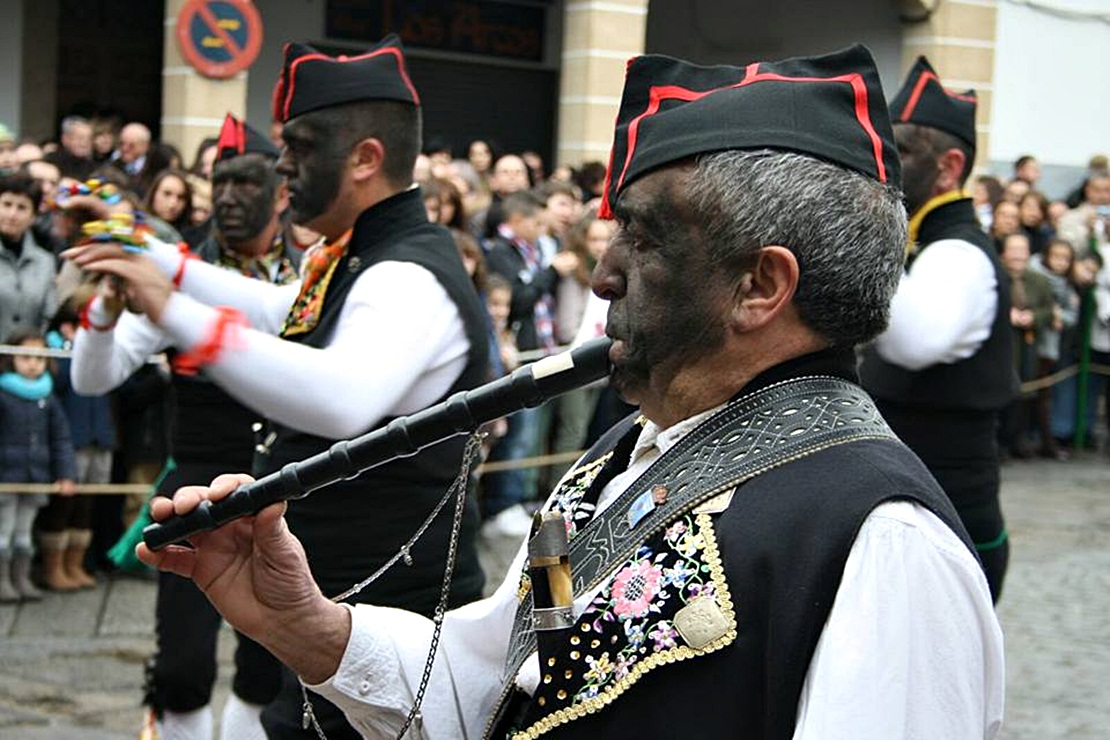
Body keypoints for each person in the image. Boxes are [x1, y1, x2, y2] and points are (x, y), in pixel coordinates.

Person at [137, 45, 1003, 739]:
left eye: (644, 236)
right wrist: (311, 628)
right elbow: (494, 684)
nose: (602, 274)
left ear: (759, 287)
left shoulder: (886, 547)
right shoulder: (618, 464)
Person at [70, 36, 490, 739]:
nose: (282, 166)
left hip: (387, 629)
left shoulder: (405, 274)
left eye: (298, 146)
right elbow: (275, 312)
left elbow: (339, 397)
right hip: (345, 619)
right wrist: (158, 261)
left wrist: (168, 302)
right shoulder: (360, 258)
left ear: (364, 158)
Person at [71, 114, 296, 740]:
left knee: (270, 661)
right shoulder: (175, 269)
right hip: (192, 494)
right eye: (218, 182)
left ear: (282, 190)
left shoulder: (313, 269)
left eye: (246, 183)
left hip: (286, 488)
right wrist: (106, 309)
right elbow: (94, 378)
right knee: (182, 664)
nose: (227, 198)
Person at [860, 56, 1016, 602]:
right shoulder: (923, 245)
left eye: (901, 152)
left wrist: (865, 229)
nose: (885, 164)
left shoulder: (957, 254)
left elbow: (912, 341)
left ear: (949, 168)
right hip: (911, 511)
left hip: (952, 523)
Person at [0, 330, 77, 602]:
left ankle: (21, 578)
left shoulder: (48, 397)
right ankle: (3, 581)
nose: (33, 363)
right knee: (3, 534)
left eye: (39, 357)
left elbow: (60, 438)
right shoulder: (4, 393)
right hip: (6, 477)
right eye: (25, 357)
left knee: (23, 535)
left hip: (36, 475)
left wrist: (66, 474)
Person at [0, 173, 57, 341]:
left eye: (22, 208)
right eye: (7, 204)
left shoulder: (45, 262)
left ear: (33, 216)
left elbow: (49, 315)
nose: (12, 214)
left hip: (29, 361)